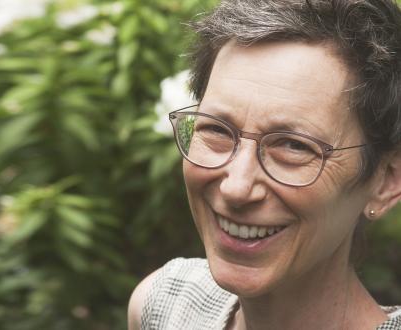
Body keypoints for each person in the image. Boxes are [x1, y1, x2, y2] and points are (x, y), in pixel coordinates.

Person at [128, 0, 401, 329]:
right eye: (216, 129)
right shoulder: (167, 307)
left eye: (293, 145)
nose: (236, 188)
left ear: (386, 181)